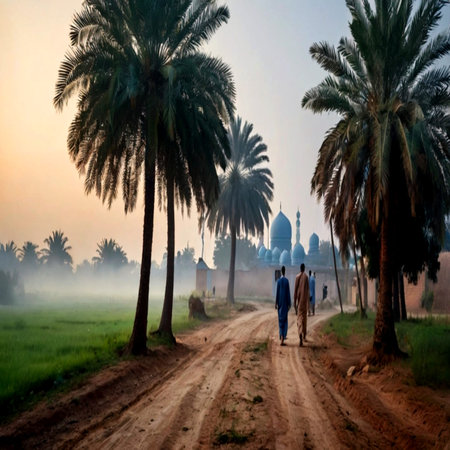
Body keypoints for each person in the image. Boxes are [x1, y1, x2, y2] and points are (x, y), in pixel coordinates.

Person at [294, 263, 310, 347]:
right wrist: (308, 304)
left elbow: (295, 291)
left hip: (299, 302)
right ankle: (304, 336)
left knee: (299, 319)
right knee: (304, 319)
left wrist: (294, 303)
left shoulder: (297, 277)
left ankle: (300, 332)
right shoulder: (306, 277)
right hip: (305, 302)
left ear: (300, 268)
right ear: (304, 268)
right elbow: (308, 291)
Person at [275, 265, 291, 346]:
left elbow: (277, 293)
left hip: (280, 303)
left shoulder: (278, 281)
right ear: (285, 271)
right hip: (285, 303)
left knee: (280, 319)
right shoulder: (287, 281)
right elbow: (288, 293)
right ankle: (283, 337)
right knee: (284, 320)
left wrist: (276, 303)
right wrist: (289, 303)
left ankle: (281, 336)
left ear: (281, 271)